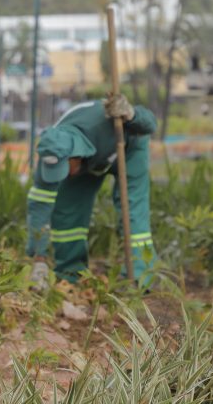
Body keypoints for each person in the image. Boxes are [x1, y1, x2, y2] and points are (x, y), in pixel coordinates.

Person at [26, 94, 158, 289]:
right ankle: (70, 274)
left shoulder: (103, 122)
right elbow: (39, 205)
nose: (62, 174)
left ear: (75, 155)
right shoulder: (52, 149)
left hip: (127, 148)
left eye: (64, 168)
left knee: (133, 214)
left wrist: (131, 114)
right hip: (91, 160)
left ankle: (140, 277)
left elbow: (150, 124)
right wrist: (39, 258)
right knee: (67, 214)